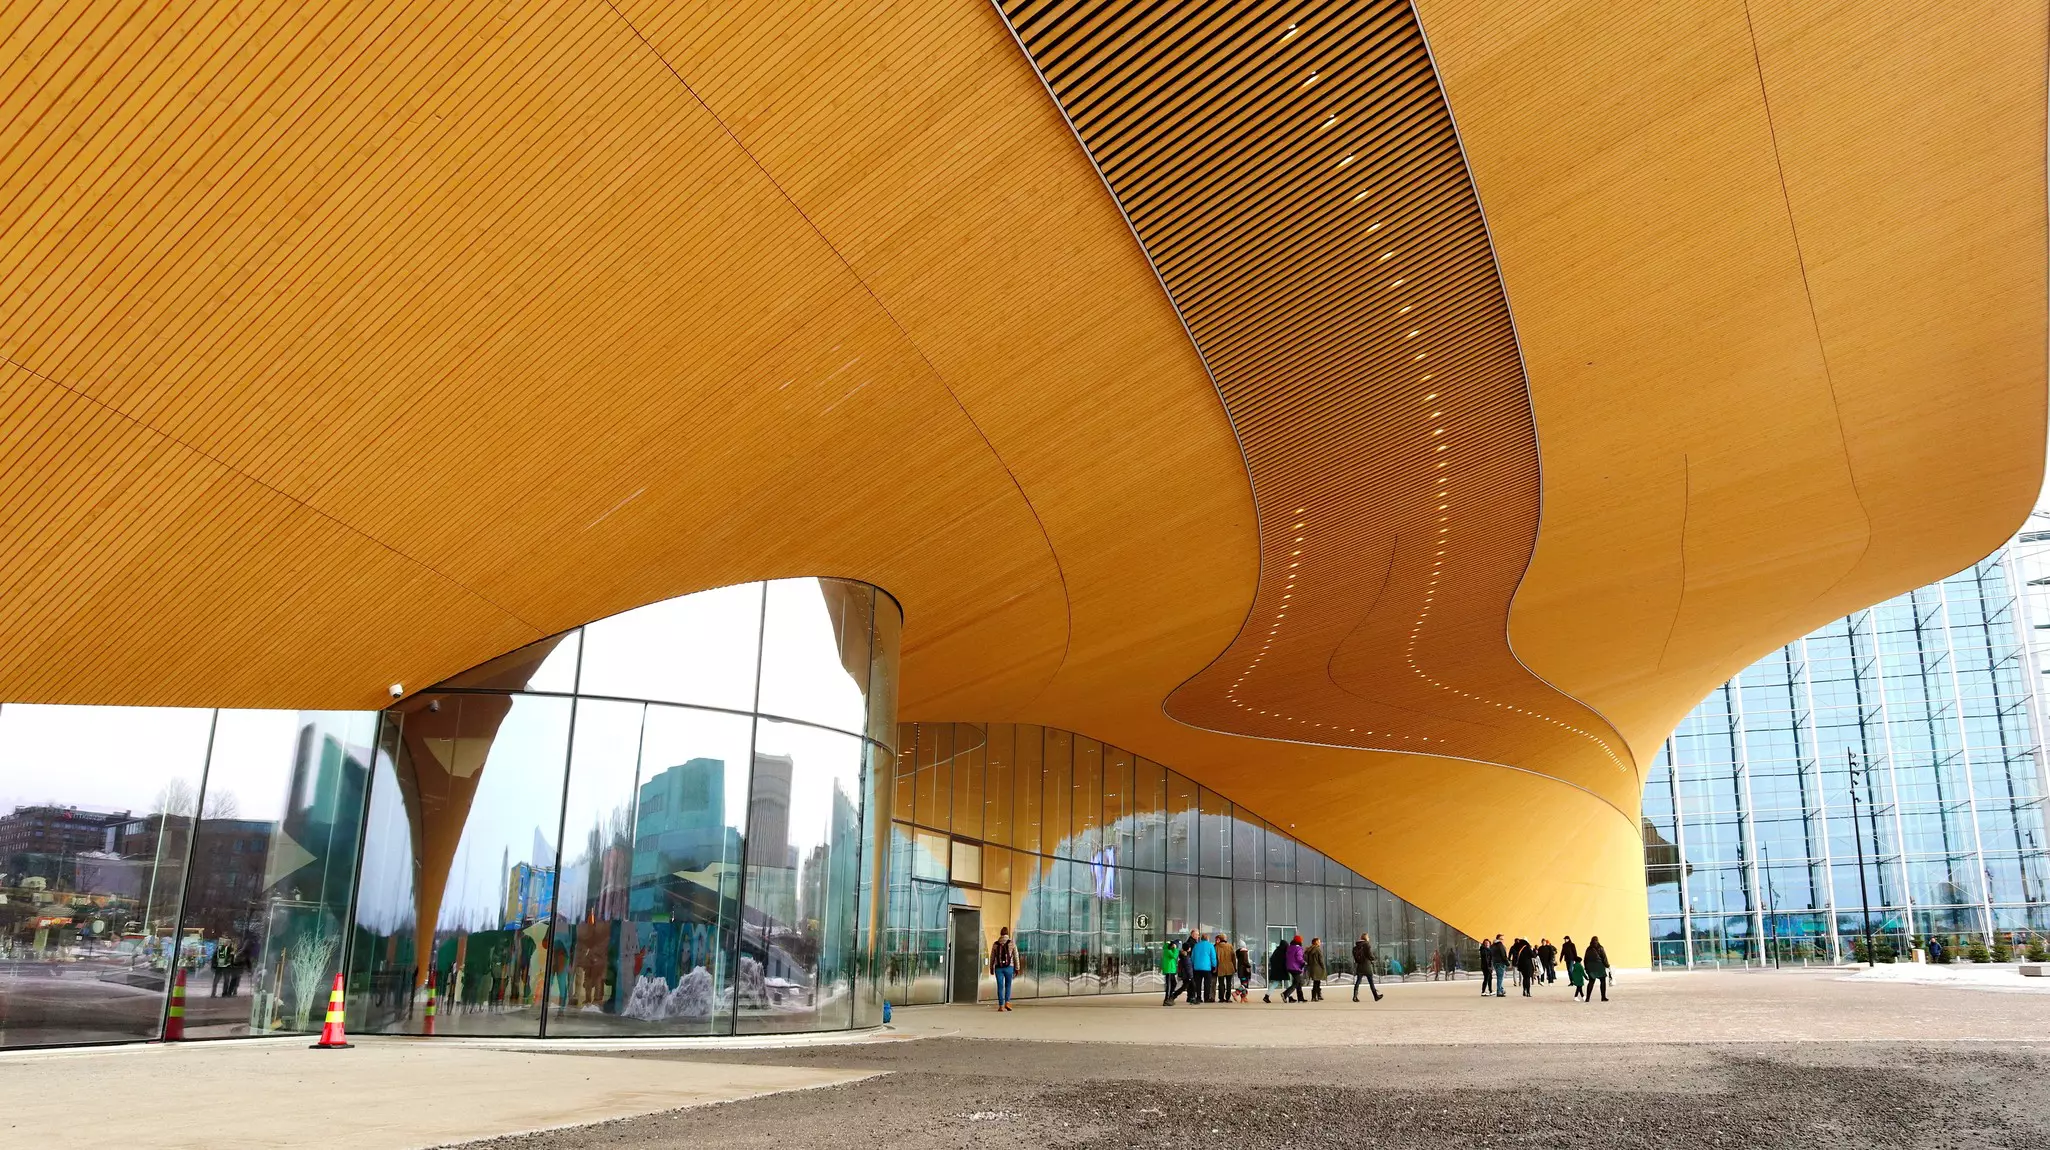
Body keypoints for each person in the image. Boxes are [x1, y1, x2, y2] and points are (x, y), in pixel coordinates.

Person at [990, 927, 1018, 1012]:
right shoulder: (1012, 943)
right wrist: (1017, 968)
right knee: (1008, 985)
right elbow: (1016, 956)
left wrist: (991, 967)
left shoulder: (995, 944)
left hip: (999, 968)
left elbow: (992, 957)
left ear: (1000, 934)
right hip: (1009, 967)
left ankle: (1001, 1006)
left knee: (1000, 986)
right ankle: (1007, 1003)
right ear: (1007, 933)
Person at [1353, 933, 1383, 1002]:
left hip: (1360, 966)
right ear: (1366, 938)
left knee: (1358, 981)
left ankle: (1355, 996)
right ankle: (1376, 996)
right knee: (1371, 981)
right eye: (1368, 937)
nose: (1369, 938)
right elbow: (1370, 955)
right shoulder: (1367, 945)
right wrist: (1373, 958)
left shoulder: (1356, 947)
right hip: (1367, 966)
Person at [1191, 932, 1217, 1004]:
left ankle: (1198, 997)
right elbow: (1213, 957)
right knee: (1207, 984)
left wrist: (1193, 964)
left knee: (1198, 983)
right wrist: (1214, 966)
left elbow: (1192, 957)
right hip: (1207, 968)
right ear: (1207, 939)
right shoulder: (1210, 946)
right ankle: (1206, 998)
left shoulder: (1196, 945)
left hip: (1197, 968)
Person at [1583, 936, 1611, 1003]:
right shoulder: (1600, 947)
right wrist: (1607, 965)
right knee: (1602, 981)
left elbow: (1585, 959)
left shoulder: (1588, 948)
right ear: (1597, 941)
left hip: (1590, 966)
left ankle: (1587, 998)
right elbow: (1604, 957)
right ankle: (1603, 997)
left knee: (1591, 982)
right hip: (1599, 966)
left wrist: (1586, 968)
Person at [1265, 937, 1289, 1003]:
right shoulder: (1284, 952)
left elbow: (1271, 959)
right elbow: (1285, 961)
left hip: (1276, 970)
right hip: (1282, 970)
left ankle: (1267, 996)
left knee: (1275, 983)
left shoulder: (1276, 951)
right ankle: (1289, 996)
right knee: (1287, 983)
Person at [1214, 934, 1236, 1003]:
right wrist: (1235, 967)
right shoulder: (1230, 946)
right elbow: (1234, 958)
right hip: (1229, 966)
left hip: (1220, 967)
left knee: (1221, 983)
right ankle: (1228, 998)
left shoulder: (1216, 947)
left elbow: (1215, 958)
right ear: (1225, 939)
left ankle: (1221, 998)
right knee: (1229, 983)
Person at [1286, 934, 1308, 1003]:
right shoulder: (1298, 948)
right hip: (1295, 967)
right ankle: (1285, 994)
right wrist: (1304, 962)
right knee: (1298, 982)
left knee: (1297, 982)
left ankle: (1300, 998)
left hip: (1289, 966)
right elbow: (1299, 958)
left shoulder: (1290, 947)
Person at [1160, 934, 1180, 1006]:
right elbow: (1174, 956)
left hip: (1171, 969)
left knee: (1174, 983)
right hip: (1169, 970)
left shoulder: (1169, 950)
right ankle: (1167, 999)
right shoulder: (1168, 950)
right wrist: (1175, 948)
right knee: (1169, 985)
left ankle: (1170, 997)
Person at [1306, 937, 1327, 1002]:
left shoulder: (1309, 950)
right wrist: (1323, 967)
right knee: (1317, 983)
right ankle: (1314, 997)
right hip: (1318, 968)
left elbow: (1306, 959)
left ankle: (1316, 996)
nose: (1320, 943)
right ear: (1316, 942)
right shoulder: (1317, 949)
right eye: (1319, 941)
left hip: (1312, 968)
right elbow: (1320, 960)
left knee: (1316, 982)